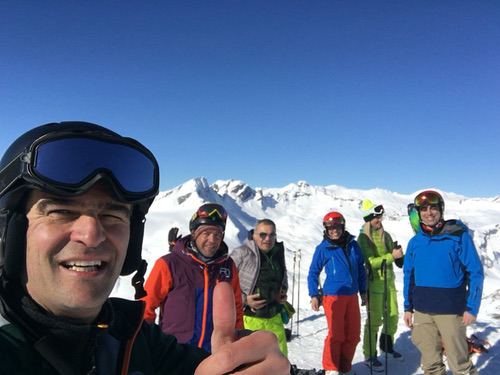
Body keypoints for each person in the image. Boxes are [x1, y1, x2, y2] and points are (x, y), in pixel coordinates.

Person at [0, 121, 290, 374]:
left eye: (112, 216)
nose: (92, 235)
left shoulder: (138, 341)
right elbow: (151, 303)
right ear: (8, 232)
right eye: (60, 212)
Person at [141, 203, 244, 352]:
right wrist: (145, 344)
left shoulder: (227, 266)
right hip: (173, 354)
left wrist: (237, 344)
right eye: (206, 233)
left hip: (214, 354)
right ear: (194, 233)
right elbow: (146, 307)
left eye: (217, 234)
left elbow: (237, 309)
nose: (212, 240)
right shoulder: (169, 264)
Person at [403, 190, 484, 375]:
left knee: (460, 364)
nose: (429, 213)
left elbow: (475, 272)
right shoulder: (415, 242)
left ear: (441, 210)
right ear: (418, 212)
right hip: (423, 312)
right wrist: (408, 307)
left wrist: (472, 307)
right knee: (431, 365)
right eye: (423, 209)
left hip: (451, 311)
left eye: (433, 208)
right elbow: (410, 276)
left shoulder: (458, 236)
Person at [307, 211, 367, 375]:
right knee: (336, 335)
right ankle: (331, 368)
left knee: (353, 336)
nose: (334, 230)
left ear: (343, 226)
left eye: (337, 226)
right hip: (333, 296)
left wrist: (363, 290)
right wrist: (314, 294)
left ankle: (344, 367)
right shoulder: (323, 248)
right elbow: (313, 272)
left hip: (352, 295)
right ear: (326, 229)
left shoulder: (353, 245)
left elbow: (360, 269)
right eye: (330, 227)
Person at [230, 219, 289, 356]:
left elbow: (283, 274)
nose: (267, 239)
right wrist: (244, 299)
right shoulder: (241, 253)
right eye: (263, 234)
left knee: (280, 359)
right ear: (254, 235)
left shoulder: (278, 253)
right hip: (249, 318)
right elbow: (223, 283)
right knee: (254, 362)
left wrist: (282, 291)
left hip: (274, 316)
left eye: (272, 235)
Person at [358, 199, 404, 371]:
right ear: (368, 218)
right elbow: (370, 262)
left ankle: (386, 347)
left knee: (392, 316)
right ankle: (369, 355)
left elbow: (394, 253)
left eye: (380, 217)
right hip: (374, 284)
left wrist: (399, 256)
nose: (379, 220)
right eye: (376, 217)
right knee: (374, 320)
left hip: (389, 281)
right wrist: (392, 256)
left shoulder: (386, 235)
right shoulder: (363, 238)